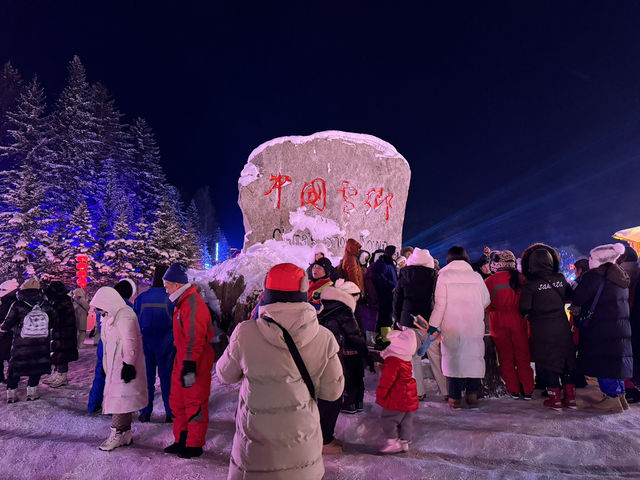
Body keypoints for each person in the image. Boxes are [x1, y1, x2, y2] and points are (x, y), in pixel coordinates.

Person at [217, 263, 344, 480]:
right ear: (303, 292)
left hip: (254, 455)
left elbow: (224, 375)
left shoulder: (245, 333)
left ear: (267, 293)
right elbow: (333, 392)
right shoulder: (324, 337)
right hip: (302, 454)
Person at [162, 263, 214, 459]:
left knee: (194, 401)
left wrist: (190, 364)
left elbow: (195, 337)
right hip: (183, 359)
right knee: (177, 401)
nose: (165, 288)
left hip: (194, 361)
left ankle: (194, 444)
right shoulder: (183, 301)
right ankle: (181, 439)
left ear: (177, 284)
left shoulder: (191, 303)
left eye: (167, 284)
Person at [572, 243, 632, 413]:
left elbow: (579, 297)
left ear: (598, 259)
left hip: (601, 327)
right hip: (619, 327)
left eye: (591, 258)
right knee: (615, 361)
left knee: (605, 361)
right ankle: (620, 397)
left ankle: (612, 398)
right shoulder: (621, 276)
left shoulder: (594, 276)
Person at [428, 246, 490, 409]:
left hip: (452, 326)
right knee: (473, 357)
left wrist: (433, 325)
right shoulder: (477, 277)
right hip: (473, 325)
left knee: (453, 359)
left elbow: (439, 306)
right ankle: (472, 394)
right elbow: (486, 301)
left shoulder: (444, 277)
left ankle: (455, 398)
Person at [90, 286, 147, 451]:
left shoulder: (125, 315)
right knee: (121, 399)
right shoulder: (108, 316)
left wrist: (129, 364)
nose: (99, 311)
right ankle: (125, 434)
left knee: (119, 400)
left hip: (123, 365)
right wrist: (105, 365)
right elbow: (106, 342)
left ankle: (116, 433)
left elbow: (131, 342)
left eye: (100, 306)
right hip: (114, 366)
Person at [520, 243, 576, 410]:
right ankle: (570, 399)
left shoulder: (530, 284)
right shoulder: (560, 278)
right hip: (561, 324)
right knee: (565, 359)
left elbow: (524, 307)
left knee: (548, 360)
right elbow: (569, 296)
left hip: (542, 328)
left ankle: (555, 399)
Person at [318, 279, 369, 454]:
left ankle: (324, 437)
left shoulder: (325, 306)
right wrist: (366, 355)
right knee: (334, 396)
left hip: (320, 357)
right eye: (356, 296)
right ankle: (324, 439)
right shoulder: (344, 311)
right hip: (336, 357)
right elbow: (354, 336)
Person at [485, 250, 534, 400]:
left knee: (505, 356)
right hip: (520, 320)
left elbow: (486, 305)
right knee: (523, 355)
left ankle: (513, 389)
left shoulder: (489, 281)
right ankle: (527, 389)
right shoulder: (522, 279)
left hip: (498, 320)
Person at [393, 247, 438, 400]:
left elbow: (397, 298)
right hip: (428, 319)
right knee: (435, 354)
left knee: (413, 356)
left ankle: (418, 392)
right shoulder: (433, 276)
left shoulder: (404, 274)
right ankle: (447, 391)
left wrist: (397, 318)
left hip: (408, 318)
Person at [134, 265, 175, 423]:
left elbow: (136, 319)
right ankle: (170, 412)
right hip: (166, 343)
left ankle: (145, 412)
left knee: (146, 379)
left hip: (146, 342)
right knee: (167, 379)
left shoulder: (142, 297)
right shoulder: (170, 298)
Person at [87, 279, 136, 414]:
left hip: (104, 347)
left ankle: (93, 406)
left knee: (100, 375)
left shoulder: (105, 304)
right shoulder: (129, 307)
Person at [0, 277, 51, 403]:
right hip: (41, 342)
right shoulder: (45, 304)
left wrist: (3, 329)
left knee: (16, 366)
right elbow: (54, 321)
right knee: (36, 365)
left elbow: (8, 323)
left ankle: (11, 393)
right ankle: (32, 392)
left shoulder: (18, 304)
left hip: (22, 342)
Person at [376, 328, 419, 454]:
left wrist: (381, 394)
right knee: (406, 419)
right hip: (409, 395)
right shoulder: (406, 358)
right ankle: (405, 441)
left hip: (397, 396)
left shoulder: (393, 361)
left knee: (388, 418)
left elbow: (387, 380)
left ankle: (392, 441)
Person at [43, 281, 79, 388]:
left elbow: (56, 318)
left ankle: (62, 376)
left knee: (62, 355)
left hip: (64, 333)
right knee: (57, 354)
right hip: (59, 332)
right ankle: (57, 373)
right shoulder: (59, 301)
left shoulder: (62, 302)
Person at [372, 245, 398, 346]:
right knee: (385, 316)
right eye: (394, 253)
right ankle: (385, 338)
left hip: (391, 295)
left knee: (388, 316)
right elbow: (380, 278)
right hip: (385, 295)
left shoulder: (391, 264)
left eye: (396, 254)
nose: (395, 256)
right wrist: (391, 286)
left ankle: (383, 337)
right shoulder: (382, 263)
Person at [0, 279, 19, 383]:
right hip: (12, 333)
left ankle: (5, 377)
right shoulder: (16, 301)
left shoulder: (8, 302)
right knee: (11, 357)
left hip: (6, 332)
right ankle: (13, 376)